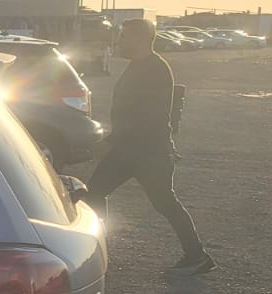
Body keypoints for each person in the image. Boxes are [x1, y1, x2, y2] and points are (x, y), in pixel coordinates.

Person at [85, 18, 214, 277]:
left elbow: (147, 116)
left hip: (148, 151)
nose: (119, 42)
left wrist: (109, 141)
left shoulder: (154, 68)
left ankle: (197, 256)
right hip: (129, 150)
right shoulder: (140, 65)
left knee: (165, 202)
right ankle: (95, 253)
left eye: (124, 37)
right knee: (95, 192)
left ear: (141, 39)